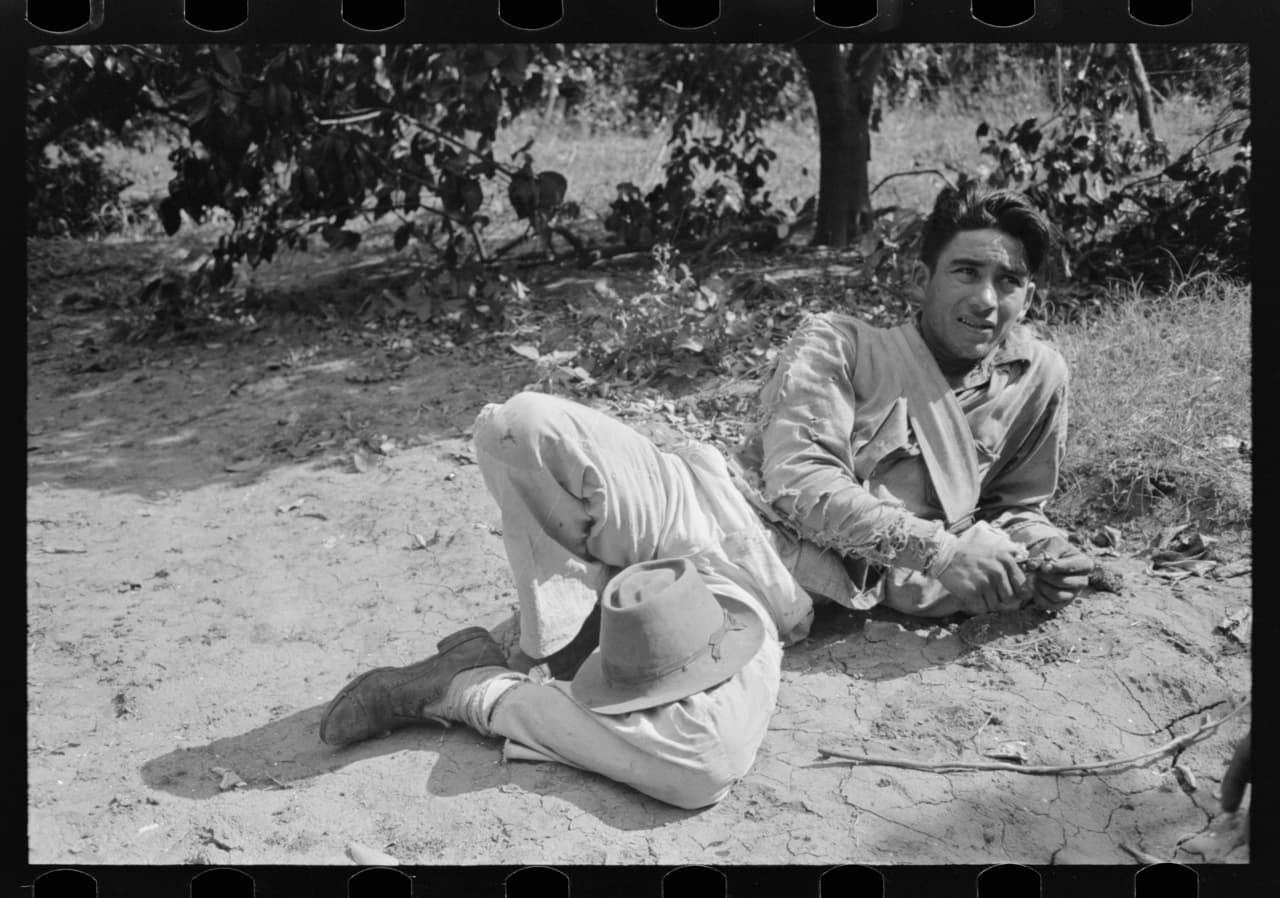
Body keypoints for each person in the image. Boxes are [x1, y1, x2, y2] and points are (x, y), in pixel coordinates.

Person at [317, 183, 1093, 808]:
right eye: (966, 272)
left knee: (701, 766)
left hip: (768, 590)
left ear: (1029, 295)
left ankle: (469, 688)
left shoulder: (1037, 378)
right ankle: (546, 639)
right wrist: (940, 550)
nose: (987, 298)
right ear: (921, 280)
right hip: (703, 501)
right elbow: (800, 483)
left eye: (1010, 281)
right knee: (518, 427)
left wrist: (1049, 554)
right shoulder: (841, 340)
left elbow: (1017, 506)